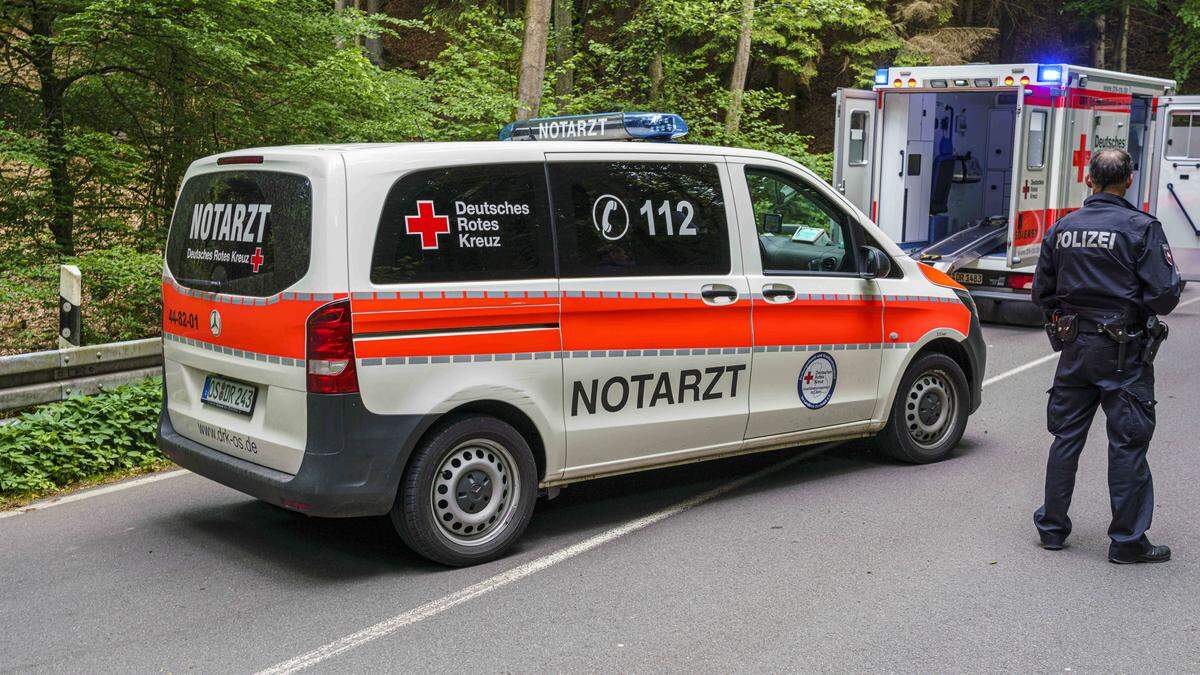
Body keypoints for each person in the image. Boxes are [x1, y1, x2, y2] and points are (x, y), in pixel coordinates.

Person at [1031, 147, 1182, 564]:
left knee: (1066, 439)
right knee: (1128, 444)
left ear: (1088, 179)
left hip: (1076, 348)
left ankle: (1053, 530)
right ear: (1128, 179)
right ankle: (1128, 542)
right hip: (1124, 352)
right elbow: (1165, 295)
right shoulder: (1141, 228)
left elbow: (1041, 293)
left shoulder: (1063, 227)